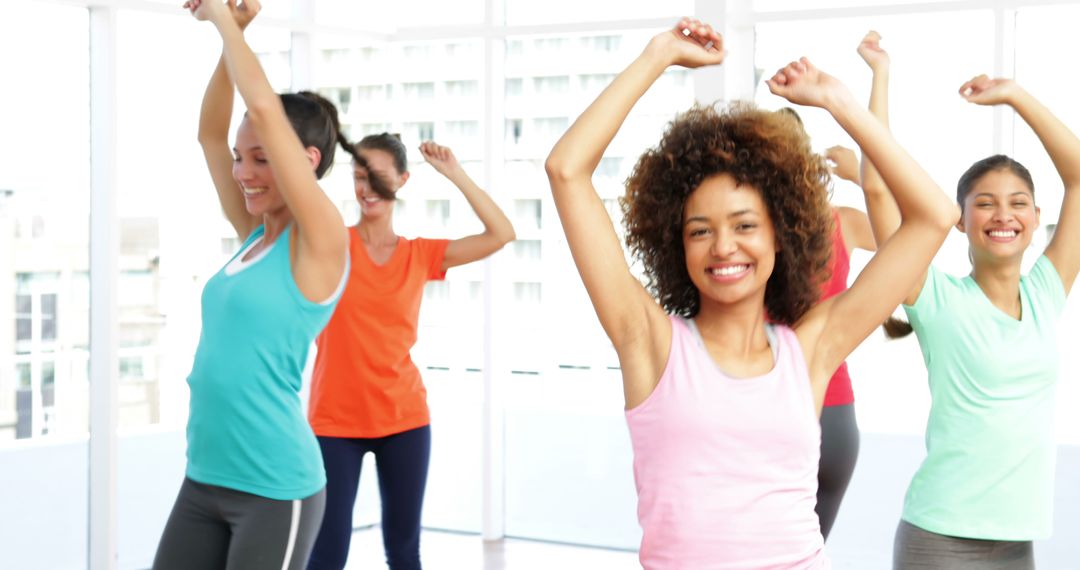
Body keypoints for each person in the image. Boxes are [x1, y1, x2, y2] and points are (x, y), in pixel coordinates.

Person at [545, 17, 958, 568]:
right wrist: (656, 55)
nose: (723, 247)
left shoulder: (811, 349)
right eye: (700, 230)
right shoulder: (648, 342)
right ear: (678, 245)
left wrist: (840, 102)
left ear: (780, 235)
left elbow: (934, 217)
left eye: (744, 225)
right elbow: (566, 169)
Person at [859, 41, 1080, 570]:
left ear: (1035, 217)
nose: (1002, 214)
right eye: (984, 202)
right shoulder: (934, 296)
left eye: (1017, 202)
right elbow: (878, 188)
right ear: (959, 219)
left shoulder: (1047, 292)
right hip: (940, 538)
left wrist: (1016, 96)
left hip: (1017, 541)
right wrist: (880, 76)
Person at [153, 1, 356, 568]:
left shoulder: (320, 241)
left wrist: (221, 15)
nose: (243, 172)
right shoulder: (251, 234)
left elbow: (263, 108)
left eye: (262, 160)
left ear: (306, 161)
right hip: (204, 478)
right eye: (244, 160)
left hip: (274, 488)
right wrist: (231, 38)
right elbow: (210, 136)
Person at [306, 136, 515, 570]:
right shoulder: (331, 245)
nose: (367, 189)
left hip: (404, 420)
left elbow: (502, 233)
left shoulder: (420, 255)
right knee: (326, 555)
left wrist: (455, 172)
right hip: (334, 422)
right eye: (359, 178)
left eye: (379, 178)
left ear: (402, 181)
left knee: (403, 553)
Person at [779, 108, 877, 540]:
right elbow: (915, 224)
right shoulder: (843, 222)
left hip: (819, 411)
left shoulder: (749, 228)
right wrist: (862, 178)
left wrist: (862, 176)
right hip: (821, 414)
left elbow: (920, 226)